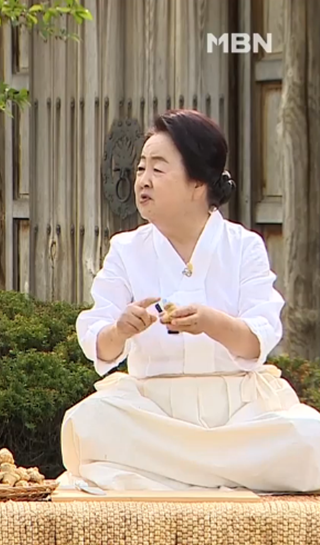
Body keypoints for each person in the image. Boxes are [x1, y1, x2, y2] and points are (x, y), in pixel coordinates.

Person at [60, 109, 320, 492]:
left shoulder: (244, 247)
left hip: (239, 415)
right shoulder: (126, 250)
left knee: (310, 436)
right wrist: (121, 330)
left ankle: (175, 476)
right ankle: (225, 473)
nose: (143, 180)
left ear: (197, 183)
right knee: (88, 423)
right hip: (153, 416)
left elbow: (258, 339)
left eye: (158, 169)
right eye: (141, 169)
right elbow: (99, 341)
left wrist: (211, 323)